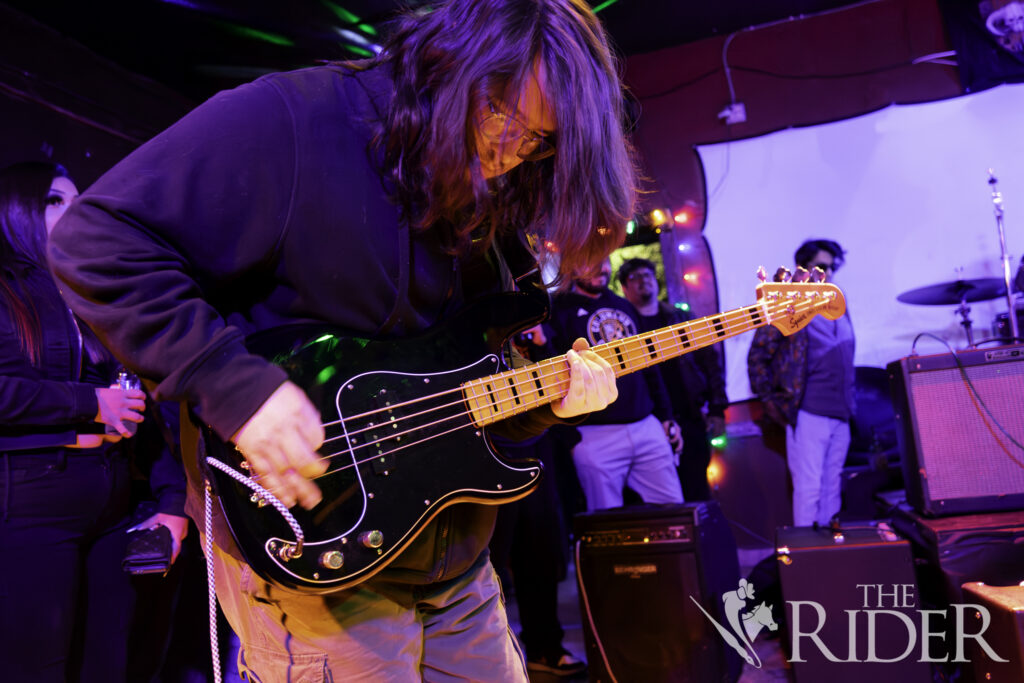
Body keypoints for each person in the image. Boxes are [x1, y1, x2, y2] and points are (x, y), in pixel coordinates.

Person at [48, 1, 635, 679]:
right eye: (500, 112)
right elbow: (96, 241)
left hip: (454, 557)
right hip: (316, 553)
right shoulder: (295, 119)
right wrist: (236, 388)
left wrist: (542, 401)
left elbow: (459, 372)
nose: (506, 153)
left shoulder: (493, 186)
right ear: (450, 61)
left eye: (538, 140)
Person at [0, 161, 187, 683]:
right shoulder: (7, 289)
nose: (77, 208)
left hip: (110, 498)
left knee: (108, 665)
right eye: (56, 199)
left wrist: (175, 505)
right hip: (29, 501)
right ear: (16, 208)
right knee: (35, 669)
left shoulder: (92, 292)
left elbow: (155, 404)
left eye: (80, 198)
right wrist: (90, 403)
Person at [544, 259, 684, 511]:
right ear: (573, 264)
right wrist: (572, 439)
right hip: (595, 433)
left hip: (645, 425)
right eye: (591, 260)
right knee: (605, 523)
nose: (601, 268)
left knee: (675, 512)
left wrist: (665, 416)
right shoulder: (557, 311)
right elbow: (551, 378)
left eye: (605, 260)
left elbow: (649, 366)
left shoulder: (623, 306)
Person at [747, 239, 856, 527]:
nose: (828, 273)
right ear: (803, 268)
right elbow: (757, 357)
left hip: (840, 413)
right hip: (808, 412)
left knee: (832, 487)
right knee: (809, 489)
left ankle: (830, 555)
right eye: (821, 266)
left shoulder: (838, 303)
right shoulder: (787, 305)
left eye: (831, 267)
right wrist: (772, 404)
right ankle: (808, 561)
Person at [618, 257, 728, 501]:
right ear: (625, 288)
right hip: (647, 422)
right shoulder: (623, 327)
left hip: (688, 415)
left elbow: (709, 361)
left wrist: (718, 408)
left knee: (697, 488)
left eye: (647, 275)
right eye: (635, 278)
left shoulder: (679, 318)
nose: (643, 281)